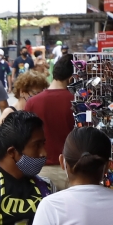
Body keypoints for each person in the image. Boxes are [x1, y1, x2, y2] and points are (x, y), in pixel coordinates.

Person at [22, 56, 77, 189]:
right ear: (72, 78)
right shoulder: (76, 101)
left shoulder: (32, 102)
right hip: (73, 169)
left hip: (41, 170)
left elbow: (24, 137)